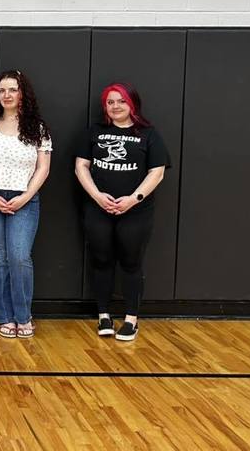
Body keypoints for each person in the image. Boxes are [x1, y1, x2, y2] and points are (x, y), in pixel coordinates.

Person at [75, 82, 170, 342]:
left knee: (131, 262)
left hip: (135, 211)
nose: (116, 106)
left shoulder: (148, 134)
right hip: (99, 208)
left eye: (121, 101)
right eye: (110, 102)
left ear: (132, 104)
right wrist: (97, 196)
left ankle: (131, 319)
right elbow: (81, 166)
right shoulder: (95, 131)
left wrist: (133, 199)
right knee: (101, 260)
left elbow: (157, 172)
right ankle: (104, 315)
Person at [0, 70, 51, 339]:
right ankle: (5, 317)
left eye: (13, 90)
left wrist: (25, 196)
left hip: (24, 200)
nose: (7, 95)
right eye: (3, 90)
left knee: (19, 257)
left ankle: (23, 316)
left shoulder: (37, 128)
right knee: (0, 259)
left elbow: (43, 168)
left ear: (22, 94)